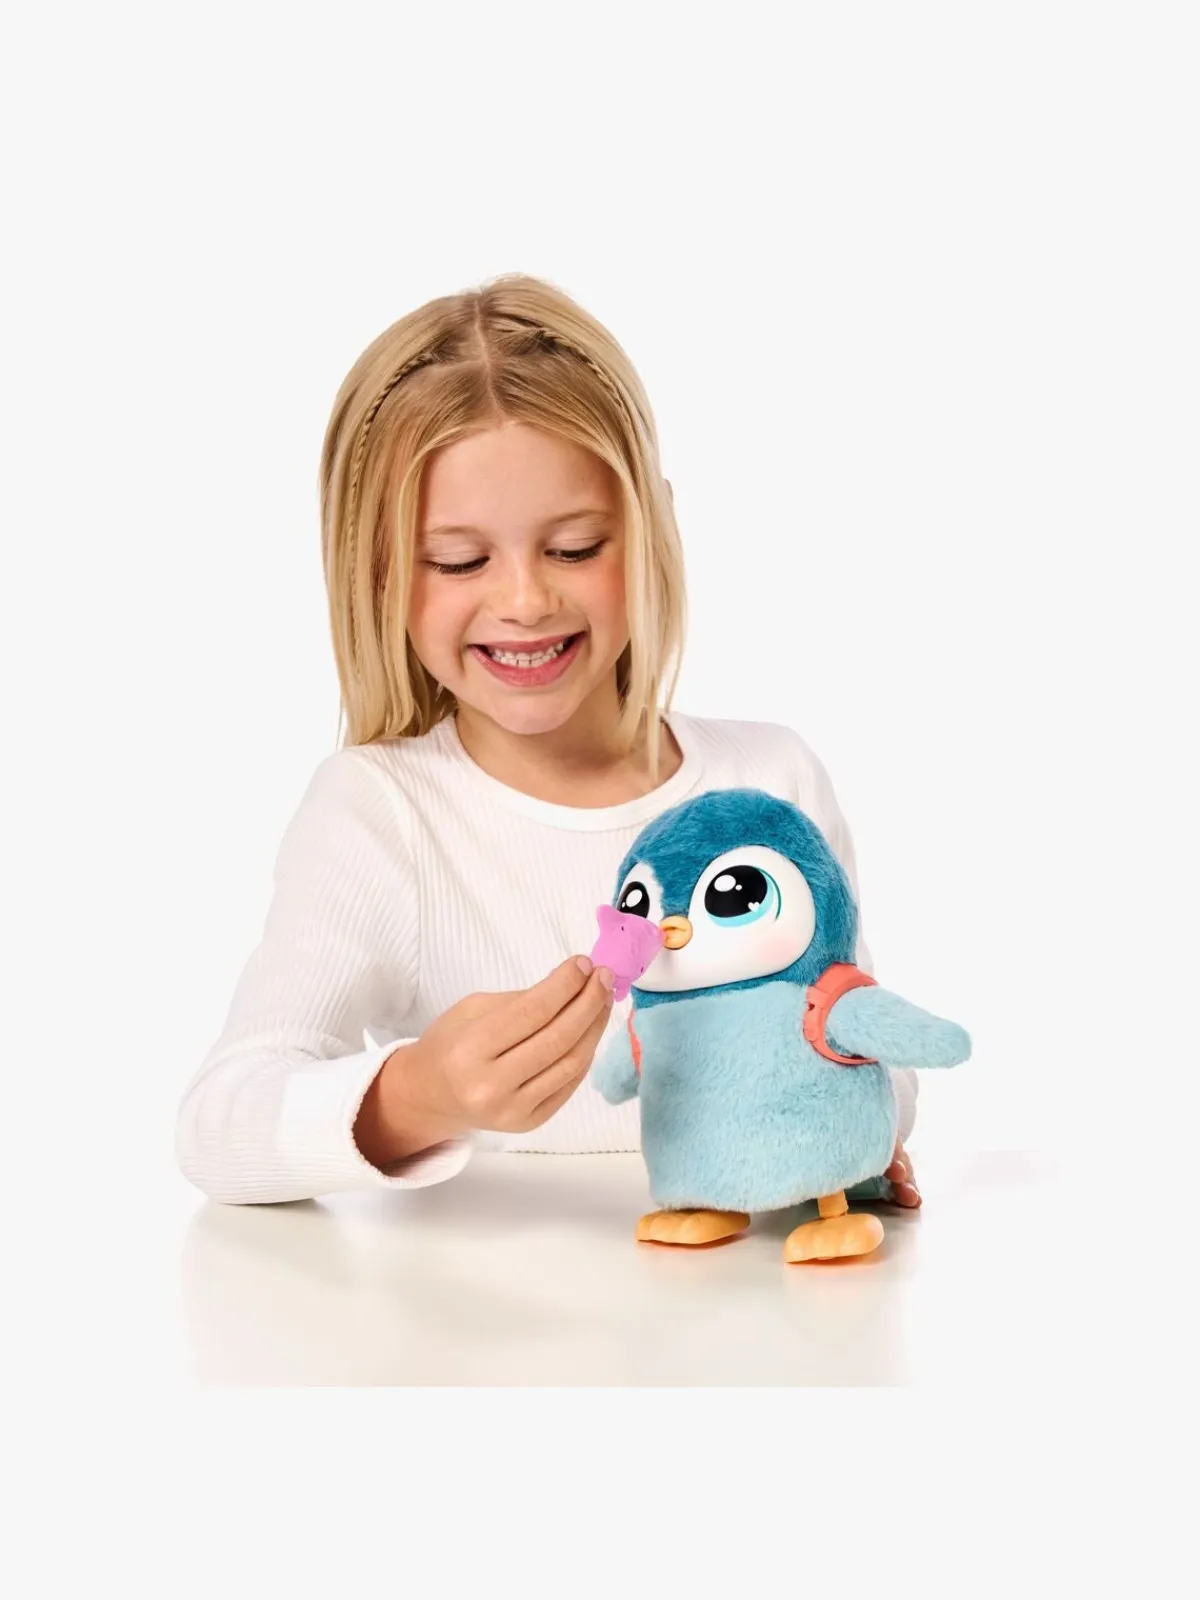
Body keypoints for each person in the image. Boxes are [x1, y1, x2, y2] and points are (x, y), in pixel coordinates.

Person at [175, 272, 921, 1210]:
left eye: (574, 548)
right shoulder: (380, 814)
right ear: (377, 572)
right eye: (458, 561)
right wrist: (415, 1097)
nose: (525, 601)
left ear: (650, 528)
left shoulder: (772, 778)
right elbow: (217, 1128)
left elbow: (876, 1047)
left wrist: (846, 1122)